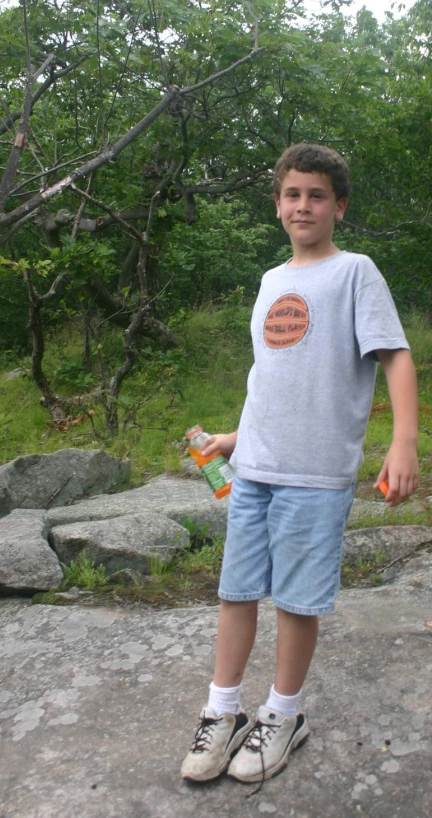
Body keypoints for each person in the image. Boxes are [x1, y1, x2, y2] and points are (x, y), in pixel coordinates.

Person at [180, 143, 419, 787]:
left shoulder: (355, 273)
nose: (303, 205)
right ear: (278, 205)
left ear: (338, 206)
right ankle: (221, 710)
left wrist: (403, 442)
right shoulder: (270, 282)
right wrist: (233, 438)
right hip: (254, 467)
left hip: (315, 477)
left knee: (294, 601)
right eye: (292, 194)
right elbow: (272, 377)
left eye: (317, 195)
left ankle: (283, 715)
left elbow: (394, 356)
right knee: (235, 593)